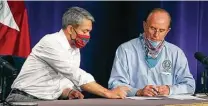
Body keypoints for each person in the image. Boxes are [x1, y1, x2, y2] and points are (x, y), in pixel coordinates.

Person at [6, 6, 129, 102]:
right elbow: (74, 73)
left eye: (89, 32)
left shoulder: (74, 49)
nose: (88, 36)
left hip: (47, 100)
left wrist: (69, 92)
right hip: (24, 99)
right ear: (71, 29)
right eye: (85, 31)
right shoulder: (51, 42)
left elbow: (63, 80)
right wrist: (107, 93)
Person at [108, 8, 195, 97]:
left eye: (161, 30)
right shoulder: (125, 50)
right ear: (144, 25)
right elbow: (115, 85)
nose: (156, 35)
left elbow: (190, 86)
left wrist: (170, 90)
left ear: (167, 31)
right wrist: (138, 92)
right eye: (153, 28)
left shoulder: (176, 53)